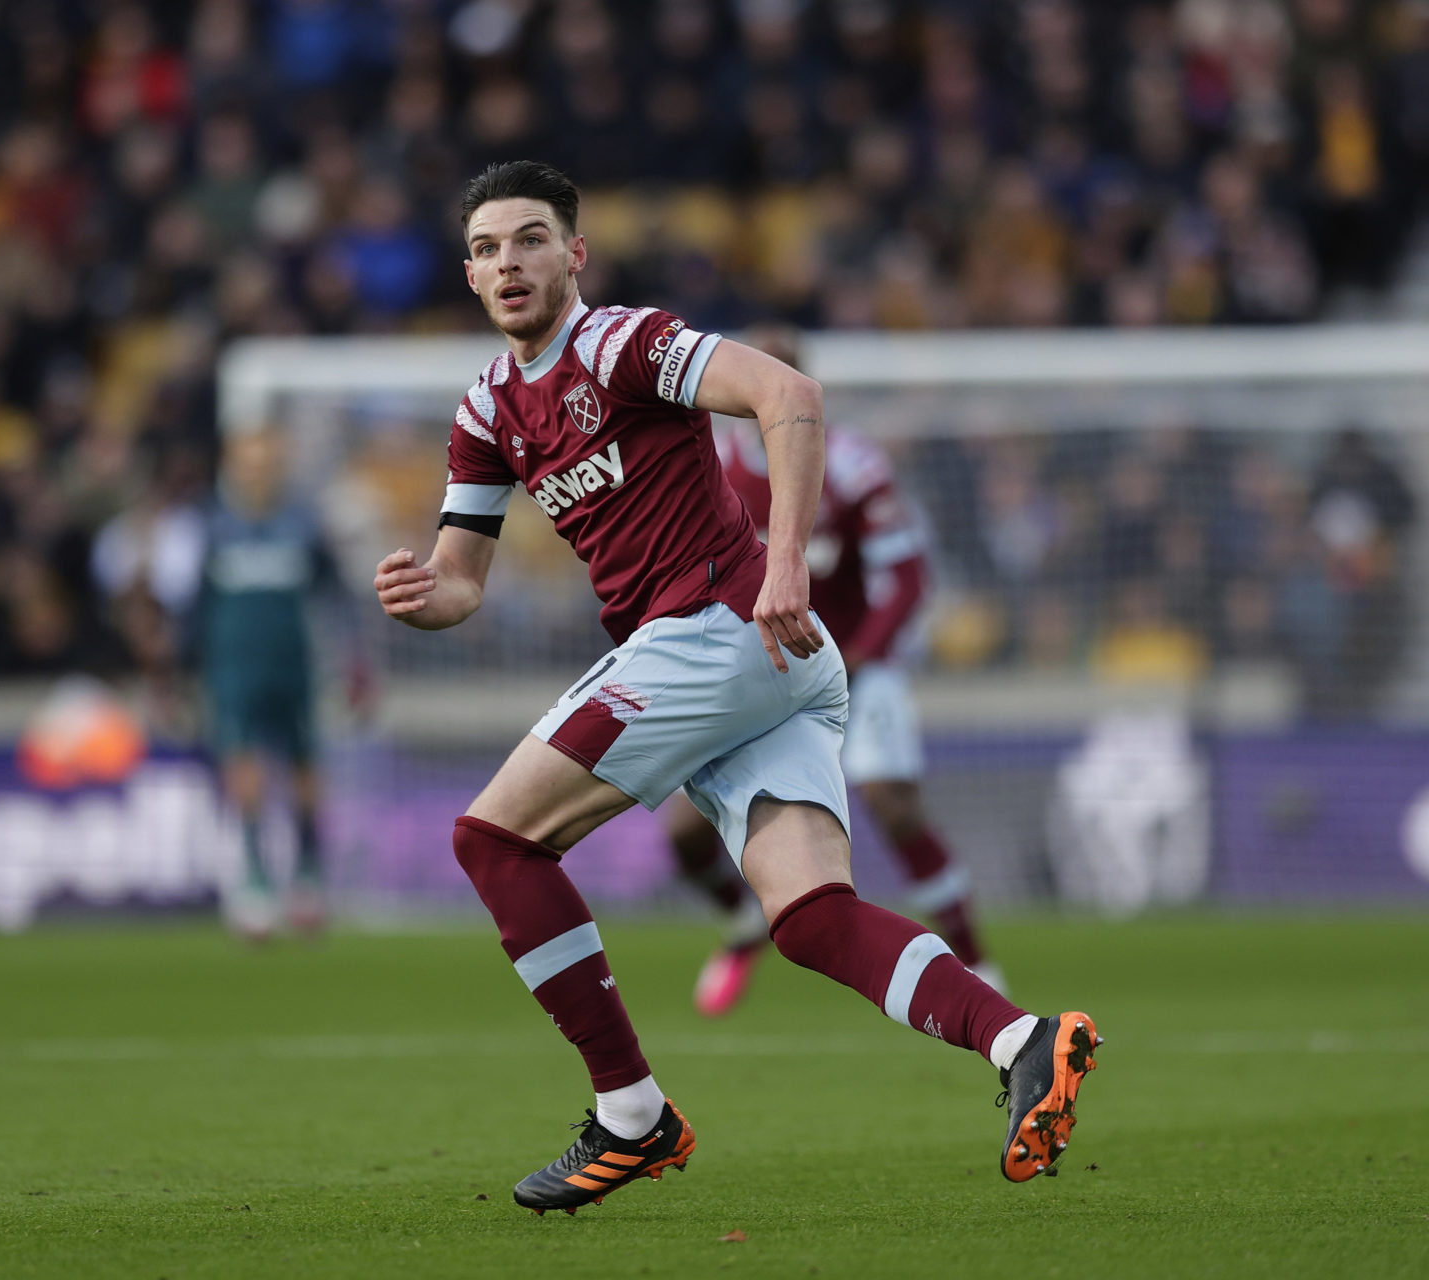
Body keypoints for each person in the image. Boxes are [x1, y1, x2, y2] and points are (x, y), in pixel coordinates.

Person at [372, 161, 1099, 1214]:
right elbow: (462, 581)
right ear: (471, 275)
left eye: (530, 239)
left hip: (719, 627)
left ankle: (630, 1113)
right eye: (486, 249)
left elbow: (787, 393)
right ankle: (1025, 1039)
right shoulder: (488, 408)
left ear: (574, 254)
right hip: (759, 661)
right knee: (808, 917)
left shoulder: (621, 343)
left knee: (496, 840)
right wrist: (418, 591)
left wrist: (790, 557)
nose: (507, 263)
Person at [676, 329, 1005, 1018]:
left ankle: (974, 958)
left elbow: (909, 574)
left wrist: (858, 653)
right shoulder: (703, 464)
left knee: (891, 801)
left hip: (853, 660)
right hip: (749, 666)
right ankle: (742, 925)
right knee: (680, 829)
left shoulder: (851, 463)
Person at [182, 430, 366, 937]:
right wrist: (179, 670)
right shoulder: (211, 524)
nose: (258, 472)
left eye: (267, 462)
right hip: (233, 670)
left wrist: (355, 661)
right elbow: (194, 607)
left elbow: (338, 595)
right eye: (249, 463)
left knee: (304, 768)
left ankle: (307, 872)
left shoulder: (303, 522)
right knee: (244, 770)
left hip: (295, 667)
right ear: (233, 467)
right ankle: (256, 878)